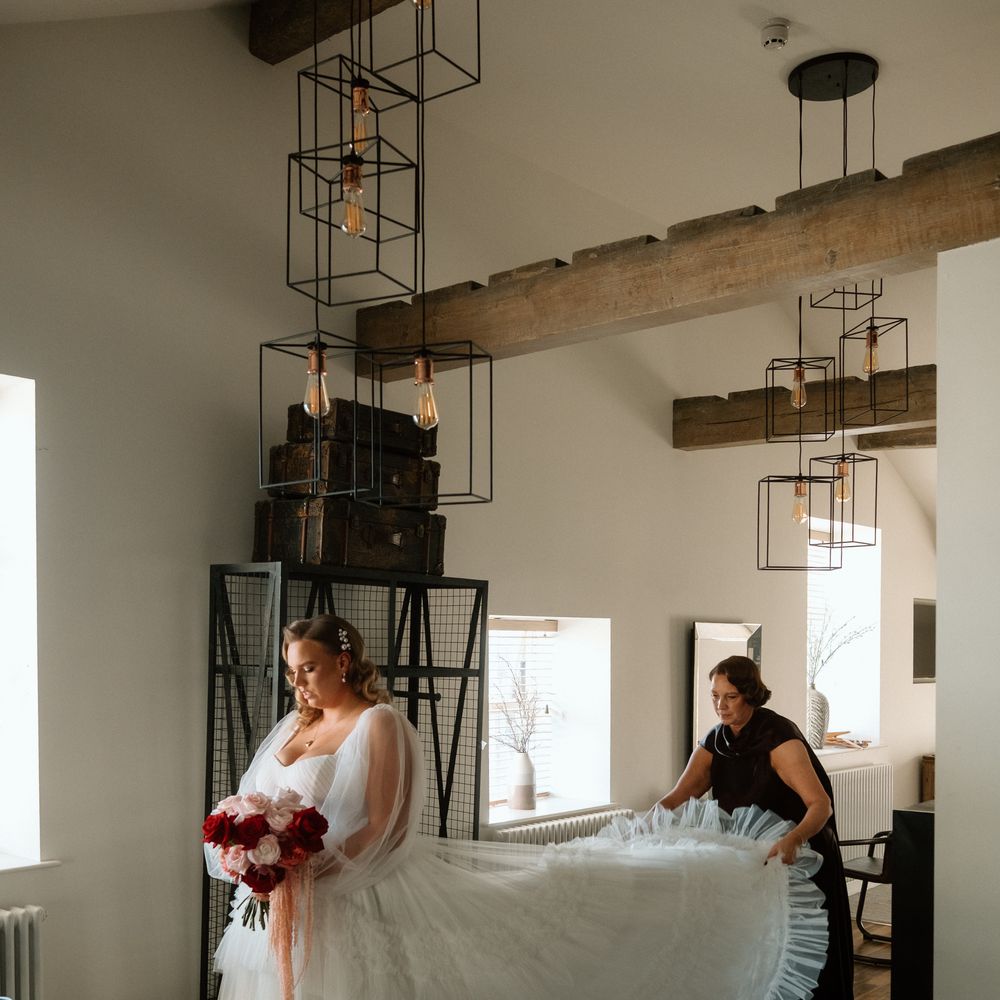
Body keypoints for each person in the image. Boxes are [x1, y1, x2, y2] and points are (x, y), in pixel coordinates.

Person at [207, 617, 831, 1000]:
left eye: (309, 669)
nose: (298, 683)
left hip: (349, 889)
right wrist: (253, 850)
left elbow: (384, 826)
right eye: (292, 672)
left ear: (343, 662)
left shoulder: (379, 723)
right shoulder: (296, 723)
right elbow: (258, 798)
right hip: (282, 896)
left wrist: (310, 869)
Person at [658, 654, 854, 1000]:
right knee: (756, 951)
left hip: (799, 853)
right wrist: (646, 823)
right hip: (751, 860)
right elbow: (679, 796)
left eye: (730, 697)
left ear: (749, 694)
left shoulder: (779, 740)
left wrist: (794, 839)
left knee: (794, 952)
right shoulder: (716, 741)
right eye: (715, 696)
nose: (720, 705)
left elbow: (821, 805)